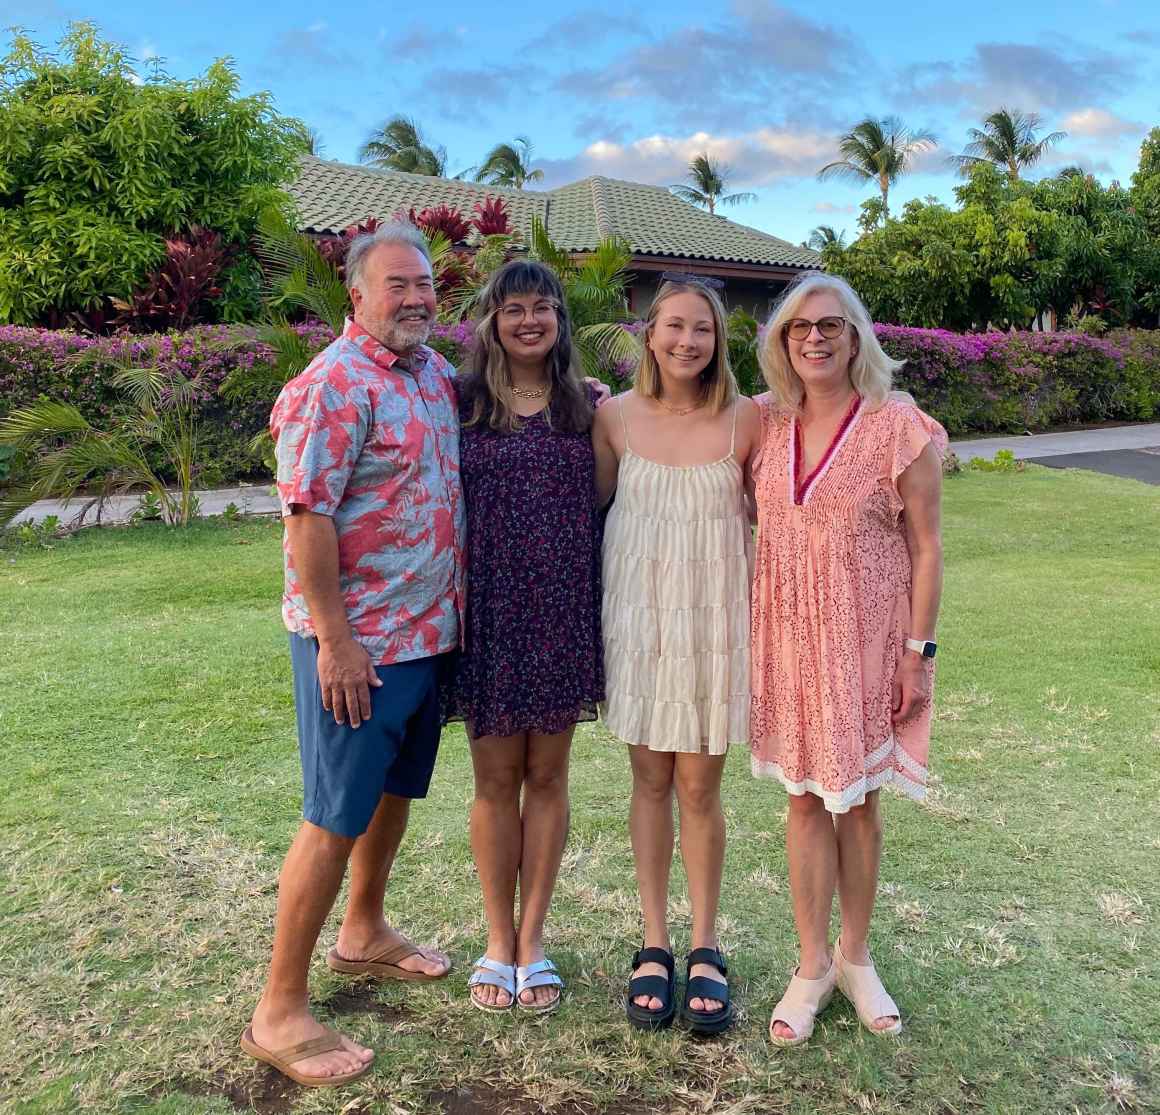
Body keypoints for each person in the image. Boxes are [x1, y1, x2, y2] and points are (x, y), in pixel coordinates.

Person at [242, 223, 463, 1087]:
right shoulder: (330, 386)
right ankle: (279, 1008)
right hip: (359, 646)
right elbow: (309, 518)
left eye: (425, 284)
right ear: (357, 294)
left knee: (391, 794)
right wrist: (335, 639)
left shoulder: (434, 373)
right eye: (397, 284)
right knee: (334, 814)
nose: (416, 298)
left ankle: (363, 931)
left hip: (426, 635)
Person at [750, 272, 945, 1047]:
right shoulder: (762, 424)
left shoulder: (897, 426)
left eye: (830, 326)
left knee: (859, 802)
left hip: (870, 642)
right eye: (798, 329)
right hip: (790, 641)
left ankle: (856, 955)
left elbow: (927, 546)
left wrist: (916, 652)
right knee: (803, 800)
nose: (815, 339)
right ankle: (811, 964)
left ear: (855, 336)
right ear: (780, 344)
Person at [591, 279, 761, 1034]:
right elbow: (594, 512)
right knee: (649, 778)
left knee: (700, 785)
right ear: (649, 332)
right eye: (673, 327)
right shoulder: (612, 417)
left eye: (702, 329)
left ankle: (704, 942)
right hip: (641, 619)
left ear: (718, 339)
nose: (686, 341)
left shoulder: (748, 419)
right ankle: (654, 940)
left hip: (713, 623)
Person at [445, 260, 605, 1014]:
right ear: (493, 320)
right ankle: (497, 937)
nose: (530, 321)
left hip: (564, 610)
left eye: (544, 308)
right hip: (491, 616)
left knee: (548, 777)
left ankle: (534, 936)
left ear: (559, 321)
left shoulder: (588, 406)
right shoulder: (461, 401)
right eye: (515, 309)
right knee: (493, 782)